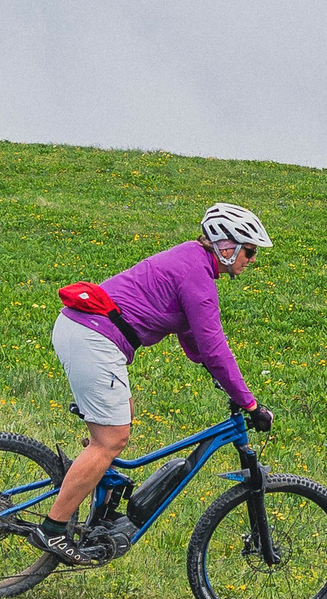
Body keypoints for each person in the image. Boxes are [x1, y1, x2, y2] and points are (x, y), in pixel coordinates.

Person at [31, 202, 274, 558]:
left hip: (83, 329)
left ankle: (101, 496)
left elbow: (195, 340)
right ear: (227, 247)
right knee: (111, 439)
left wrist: (225, 382)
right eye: (249, 251)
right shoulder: (197, 275)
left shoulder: (191, 260)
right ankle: (52, 530)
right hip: (94, 338)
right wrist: (250, 403)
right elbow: (214, 347)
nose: (251, 260)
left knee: (121, 417)